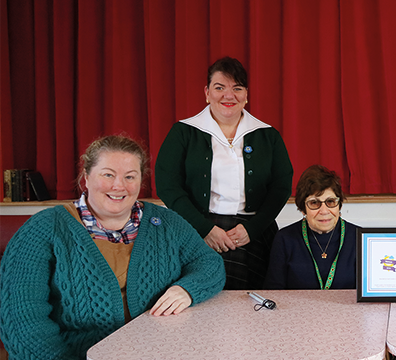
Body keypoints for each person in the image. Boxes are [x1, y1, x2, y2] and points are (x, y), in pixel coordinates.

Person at [0, 135, 224, 359]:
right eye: (108, 174)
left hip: (162, 351)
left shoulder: (165, 222)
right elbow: (22, 320)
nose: (119, 186)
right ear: (86, 178)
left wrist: (186, 289)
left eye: (130, 176)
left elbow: (209, 263)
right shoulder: (43, 229)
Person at [156, 56, 293, 290]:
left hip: (255, 233)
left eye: (237, 88)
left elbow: (281, 187)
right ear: (207, 92)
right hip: (201, 230)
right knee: (208, 301)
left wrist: (252, 229)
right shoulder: (183, 132)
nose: (228, 96)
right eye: (219, 88)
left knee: (257, 305)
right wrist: (205, 229)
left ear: (246, 95)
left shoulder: (267, 135)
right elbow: (168, 186)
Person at [265, 165, 358, 289]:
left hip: (348, 308)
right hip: (296, 308)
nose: (324, 211)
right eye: (314, 203)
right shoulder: (284, 239)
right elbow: (273, 292)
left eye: (330, 202)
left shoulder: (360, 238)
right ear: (303, 209)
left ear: (339, 205)